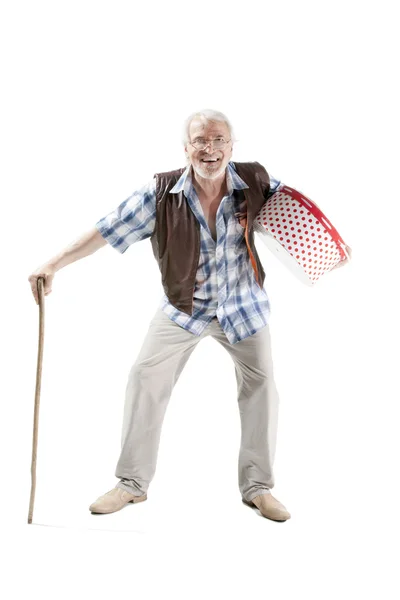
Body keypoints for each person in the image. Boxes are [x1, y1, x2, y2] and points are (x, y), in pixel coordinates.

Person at [28, 109, 351, 522]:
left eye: (219, 140)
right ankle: (131, 484)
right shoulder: (161, 193)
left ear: (232, 147)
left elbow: (301, 217)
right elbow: (105, 230)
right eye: (201, 140)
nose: (210, 149)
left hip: (243, 307)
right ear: (186, 148)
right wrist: (52, 265)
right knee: (145, 378)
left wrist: (333, 253)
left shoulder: (255, 181)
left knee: (263, 389)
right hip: (184, 309)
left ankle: (258, 488)